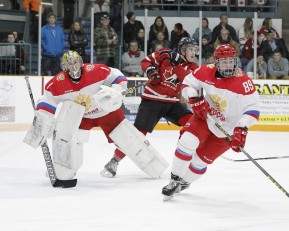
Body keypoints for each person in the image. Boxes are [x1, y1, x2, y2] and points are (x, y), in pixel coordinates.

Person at [24, 50, 165, 181]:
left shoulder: (95, 70)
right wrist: (42, 120)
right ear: (64, 67)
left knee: (129, 139)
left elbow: (116, 76)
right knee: (66, 138)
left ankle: (147, 165)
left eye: (75, 63)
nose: (73, 67)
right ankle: (62, 169)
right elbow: (48, 100)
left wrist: (115, 91)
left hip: (106, 112)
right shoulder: (58, 82)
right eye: (69, 64)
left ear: (81, 62)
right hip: (82, 116)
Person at [161, 44, 260, 201]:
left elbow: (253, 109)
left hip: (228, 131)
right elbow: (188, 82)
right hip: (205, 117)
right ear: (217, 62)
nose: (228, 65)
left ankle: (184, 182)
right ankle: (174, 180)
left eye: (231, 61)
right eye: (224, 61)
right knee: (187, 141)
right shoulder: (206, 70)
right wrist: (194, 97)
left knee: (200, 161)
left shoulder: (244, 83)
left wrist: (241, 128)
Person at [101, 37, 199, 178]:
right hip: (152, 100)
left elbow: (185, 79)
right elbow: (146, 61)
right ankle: (114, 161)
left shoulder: (192, 67)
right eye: (191, 49)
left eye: (195, 49)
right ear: (183, 49)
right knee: (138, 134)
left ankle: (184, 153)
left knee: (190, 122)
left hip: (171, 102)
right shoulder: (165, 53)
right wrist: (151, 72)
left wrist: (176, 64)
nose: (193, 52)